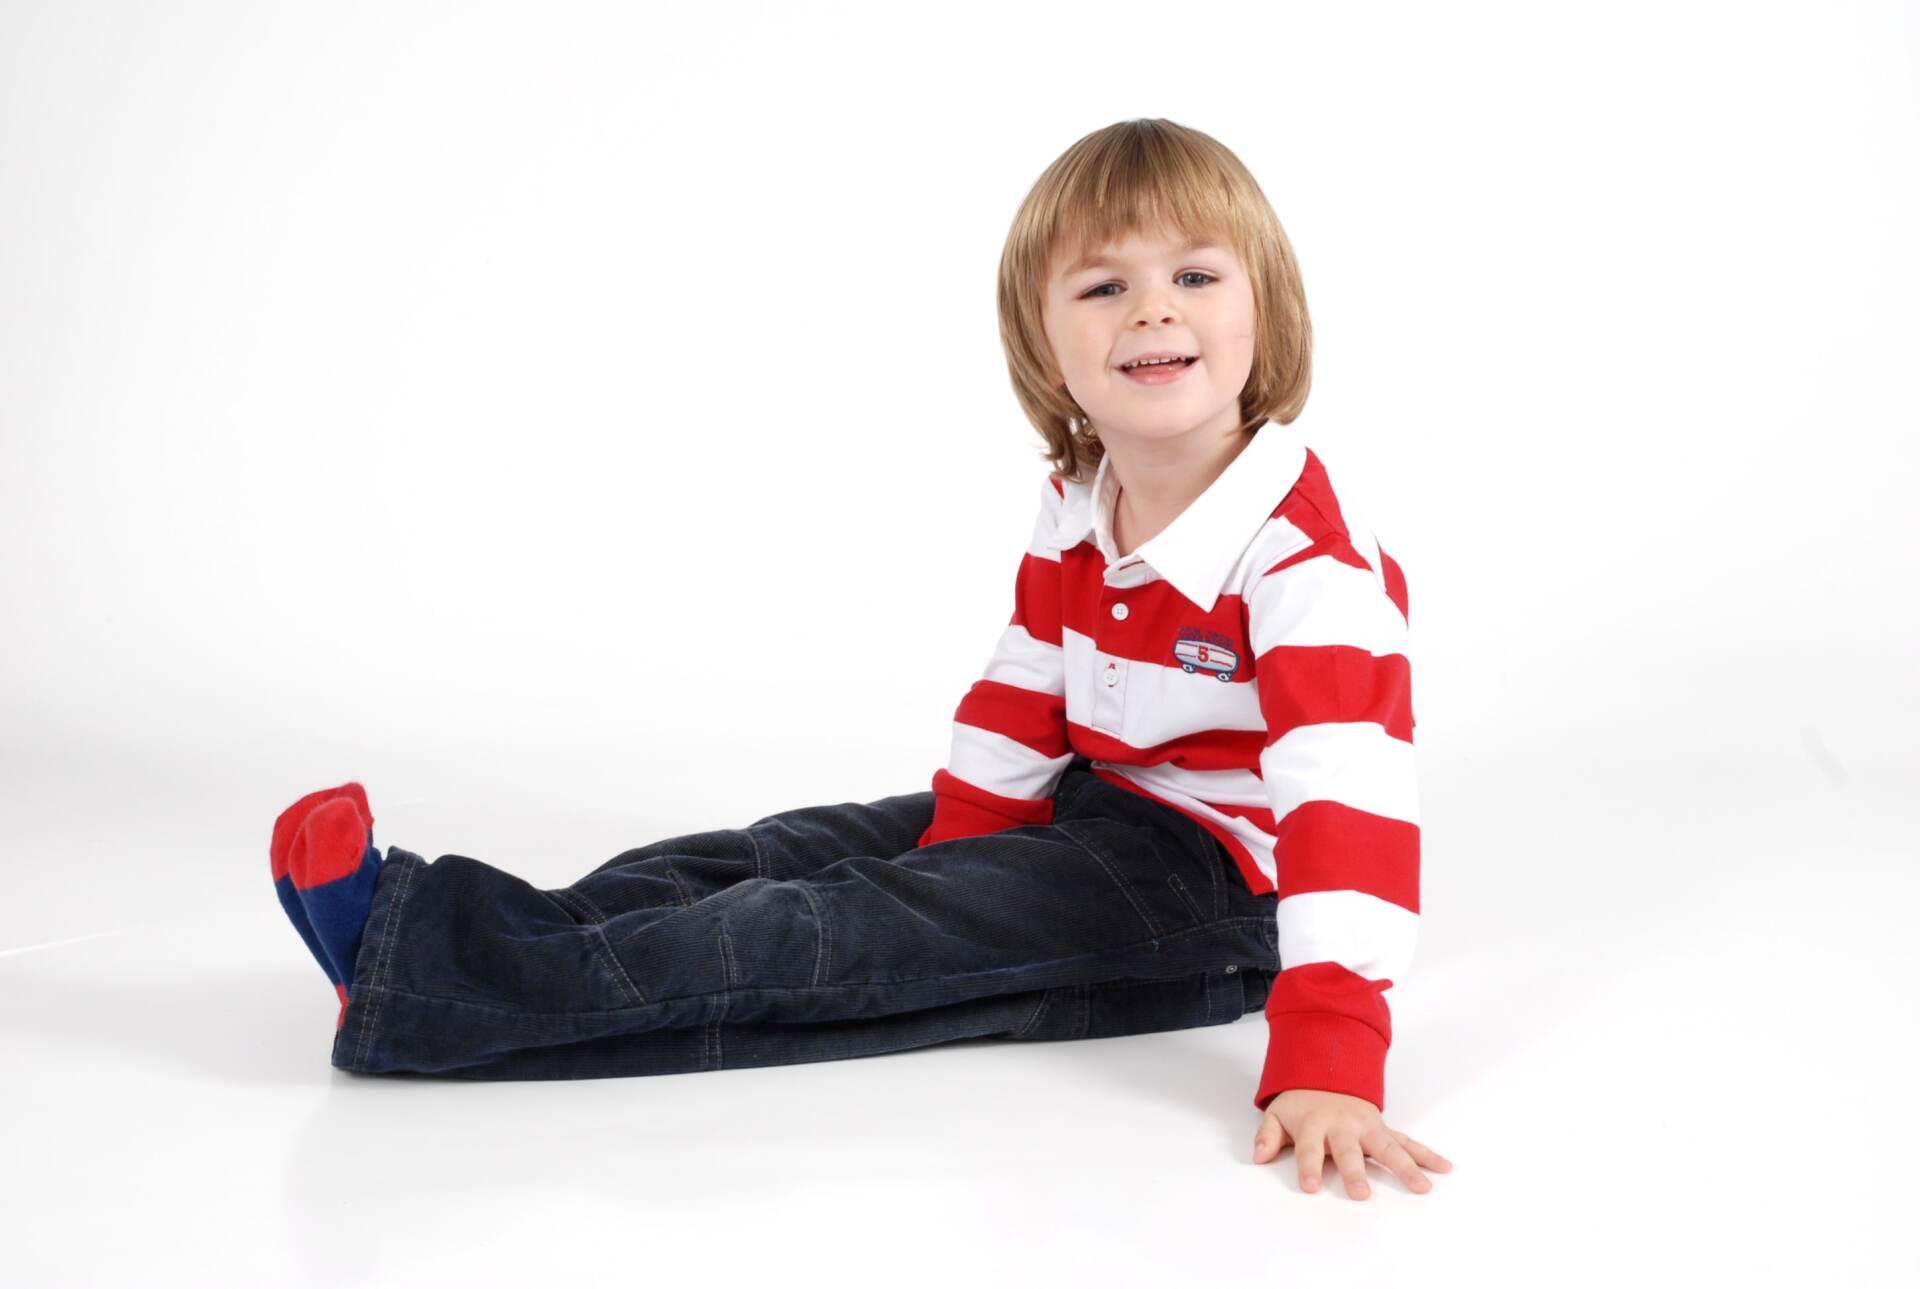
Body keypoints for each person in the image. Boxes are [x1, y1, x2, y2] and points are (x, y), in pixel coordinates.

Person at [267, 117, 1452, 1200]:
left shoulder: (1308, 567)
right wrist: (967, 845)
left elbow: (1348, 809)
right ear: (1050, 350)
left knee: (834, 927)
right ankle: (474, 932)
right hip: (1092, 807)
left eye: (1195, 276)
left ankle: (430, 977)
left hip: (1221, 885)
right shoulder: (1084, 498)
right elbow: (1026, 680)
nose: (1153, 309)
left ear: (1267, 315)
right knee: (775, 850)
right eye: (1106, 286)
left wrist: (1332, 1048)